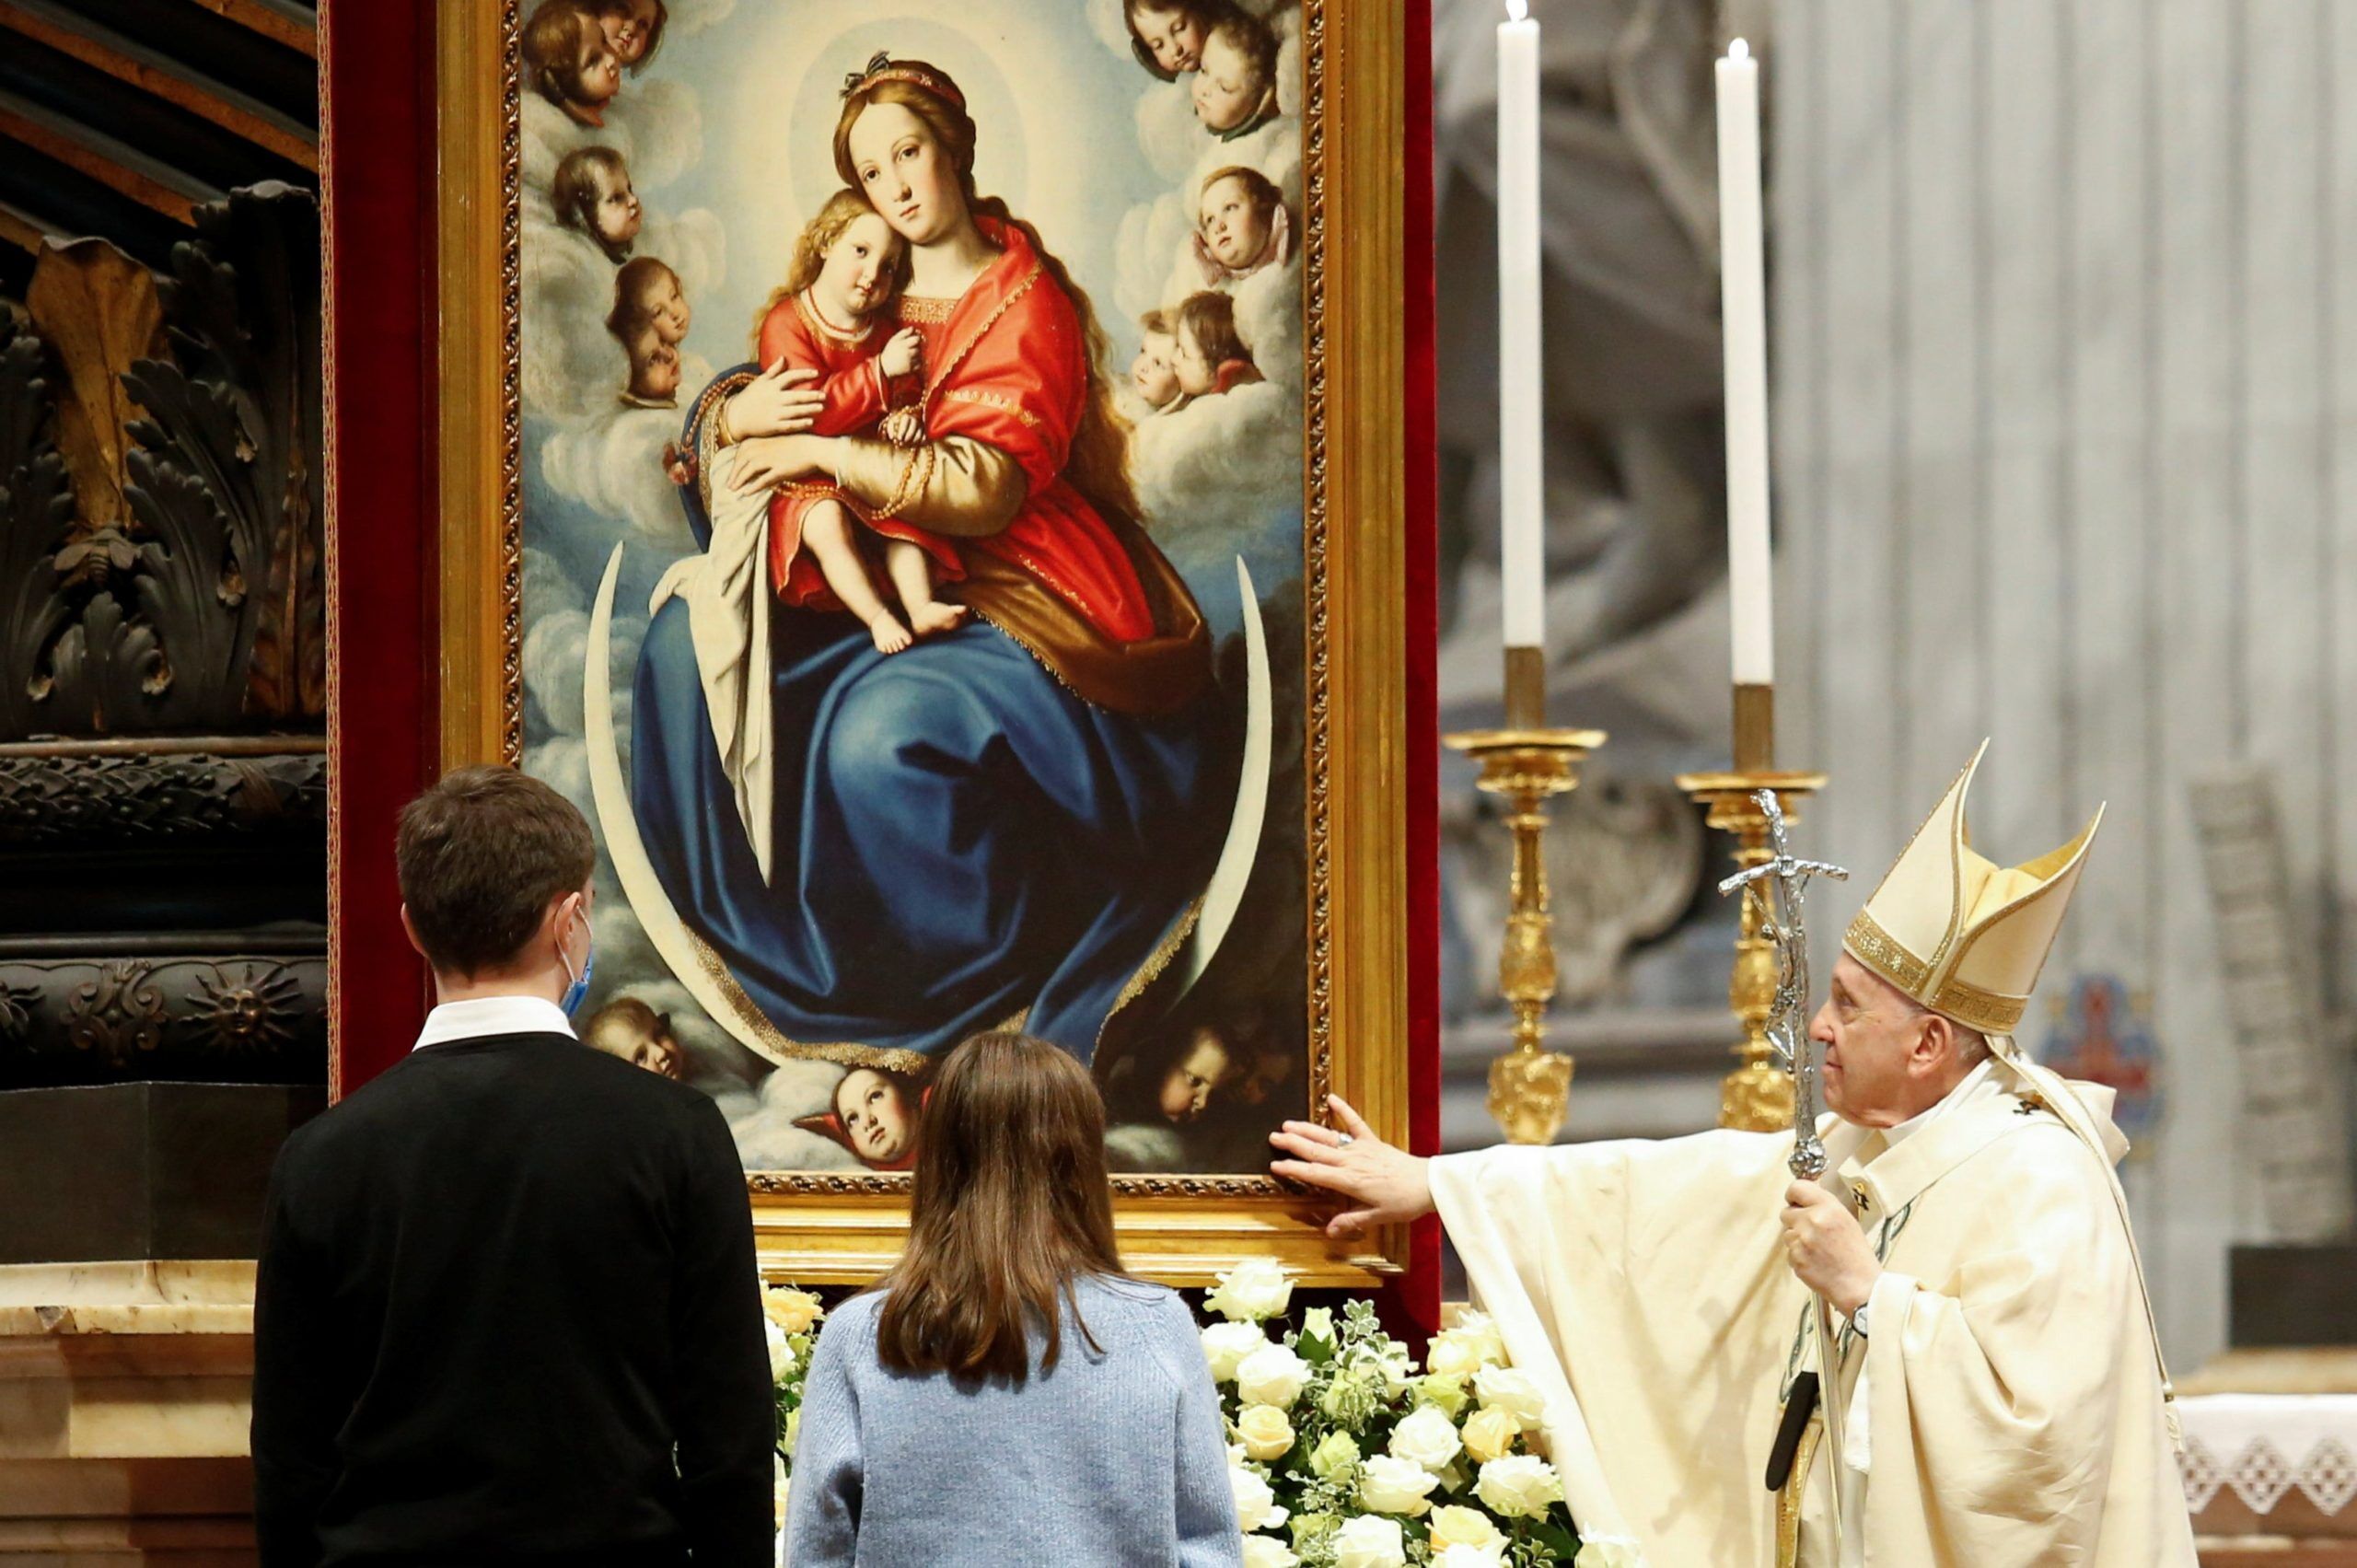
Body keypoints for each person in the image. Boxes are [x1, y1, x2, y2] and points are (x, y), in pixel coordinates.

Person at [1271, 745, 2199, 1568]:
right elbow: (1645, 1196)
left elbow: (2042, 1447)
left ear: (1926, 1046)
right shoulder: (1862, 1144)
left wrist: (1868, 1295)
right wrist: (1435, 1182)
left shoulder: (2040, 1178)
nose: (1819, 1026)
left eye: (1846, 1003)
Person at [631, 53, 1217, 1068]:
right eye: (871, 172)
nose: (896, 187)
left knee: (879, 739)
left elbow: (983, 486)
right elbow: (791, 361)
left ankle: (965, 976)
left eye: (909, 152)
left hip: (1024, 582)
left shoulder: (1020, 299)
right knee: (683, 648)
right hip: (876, 561)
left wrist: (818, 448)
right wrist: (735, 411)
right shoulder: (874, 271)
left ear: (953, 149)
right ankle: (771, 939)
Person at [251, 766, 773, 1566]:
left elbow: (291, 1464)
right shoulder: (677, 1133)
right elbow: (729, 1444)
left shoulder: (319, 1160)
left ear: (414, 928)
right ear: (569, 922)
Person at [784, 1031, 1242, 1566]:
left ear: (939, 1160)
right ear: (1083, 1161)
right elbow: (1209, 1552)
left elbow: (819, 1553)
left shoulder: (862, 1334)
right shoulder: (1157, 1326)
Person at [740, 188, 966, 655]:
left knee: (904, 506)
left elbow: (904, 398)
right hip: (803, 474)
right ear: (825, 242)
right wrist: (879, 370)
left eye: (887, 266)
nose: (872, 275)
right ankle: (879, 618)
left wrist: (904, 421)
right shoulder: (788, 323)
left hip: (862, 465)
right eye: (860, 252)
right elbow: (810, 413)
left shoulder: (882, 331)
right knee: (824, 523)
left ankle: (920, 606)